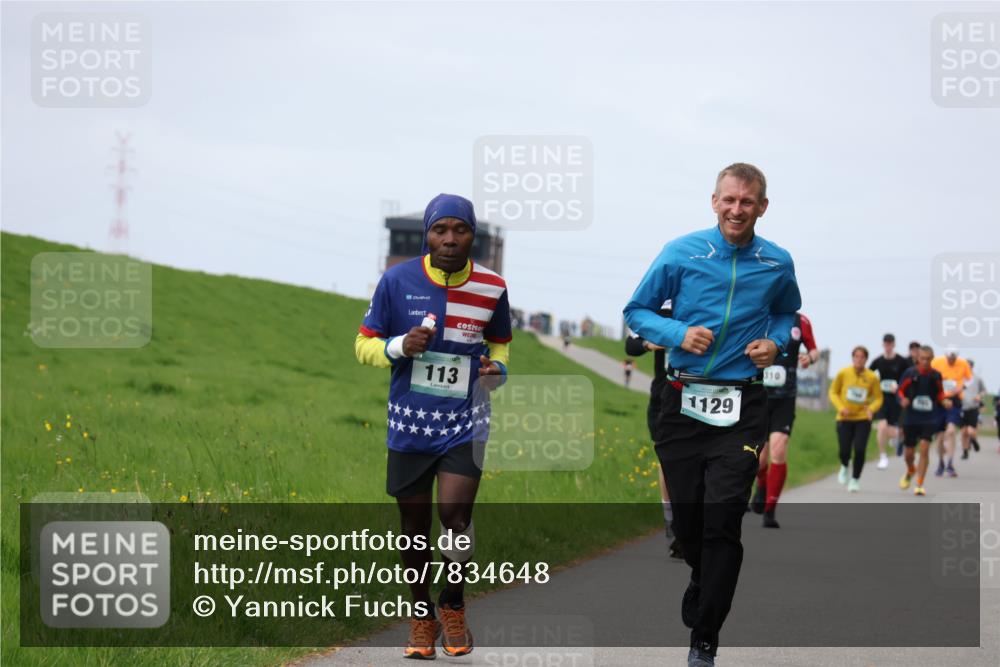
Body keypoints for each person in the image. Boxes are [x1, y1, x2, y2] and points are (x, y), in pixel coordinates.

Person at [624, 162, 800, 667]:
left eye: (747, 202)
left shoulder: (777, 262)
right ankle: (702, 578)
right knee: (688, 526)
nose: (736, 209)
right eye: (728, 200)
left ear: (762, 207)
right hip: (682, 401)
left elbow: (788, 312)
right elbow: (636, 311)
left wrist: (776, 342)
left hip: (743, 404)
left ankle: (705, 638)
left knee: (724, 520)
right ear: (714, 201)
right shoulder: (680, 252)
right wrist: (678, 334)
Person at [355, 193, 512, 660]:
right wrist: (400, 345)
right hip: (411, 423)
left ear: (472, 235)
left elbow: (500, 348)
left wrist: (497, 373)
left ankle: (453, 602)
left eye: (459, 230)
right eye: (439, 230)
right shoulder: (396, 280)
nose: (449, 239)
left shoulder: (492, 287)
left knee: (455, 517)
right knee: (414, 526)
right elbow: (363, 347)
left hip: (466, 420)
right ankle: (421, 614)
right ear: (427, 234)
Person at [626, 301, 683, 559]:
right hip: (664, 394)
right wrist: (651, 344)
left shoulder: (707, 301)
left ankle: (693, 523)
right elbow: (631, 345)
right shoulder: (661, 308)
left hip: (703, 394)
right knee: (667, 460)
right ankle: (672, 522)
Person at [750, 312, 818, 528]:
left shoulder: (801, 321)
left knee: (779, 450)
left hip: (785, 398)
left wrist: (809, 358)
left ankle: (770, 510)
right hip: (758, 396)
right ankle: (761, 483)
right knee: (760, 460)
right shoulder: (758, 312)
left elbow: (814, 350)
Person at [828, 346, 883, 493]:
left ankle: (855, 479)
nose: (859, 359)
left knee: (859, 449)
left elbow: (878, 398)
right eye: (856, 356)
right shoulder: (843, 373)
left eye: (862, 357)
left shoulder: (872, 377)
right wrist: (840, 407)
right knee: (844, 450)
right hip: (844, 417)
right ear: (852, 358)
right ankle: (845, 466)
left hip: (862, 418)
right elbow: (833, 392)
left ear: (866, 359)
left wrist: (871, 409)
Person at [898, 345, 952, 496]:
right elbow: (900, 391)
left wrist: (945, 401)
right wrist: (902, 400)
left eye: (928, 359)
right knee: (909, 454)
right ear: (917, 359)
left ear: (932, 359)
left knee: (924, 449)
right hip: (911, 418)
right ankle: (910, 470)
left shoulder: (936, 376)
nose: (926, 362)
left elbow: (940, 394)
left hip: (929, 417)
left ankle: (919, 483)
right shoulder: (910, 373)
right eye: (923, 359)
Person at [868, 333, 912, 469]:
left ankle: (898, 440)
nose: (888, 346)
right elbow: (868, 375)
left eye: (890, 343)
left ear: (894, 344)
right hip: (882, 399)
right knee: (881, 426)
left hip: (897, 400)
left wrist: (900, 388)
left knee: (898, 431)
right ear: (883, 344)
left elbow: (910, 377)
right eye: (886, 343)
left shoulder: (902, 361)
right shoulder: (878, 361)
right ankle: (883, 457)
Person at [930, 348, 972, 477]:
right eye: (949, 358)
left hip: (954, 400)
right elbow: (929, 374)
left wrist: (962, 387)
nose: (951, 360)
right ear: (945, 356)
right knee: (940, 436)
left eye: (953, 358)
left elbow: (969, 379)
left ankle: (950, 463)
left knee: (951, 431)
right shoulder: (937, 362)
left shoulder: (963, 363)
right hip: (939, 400)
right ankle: (941, 463)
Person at [960, 360, 986, 459]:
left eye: (969, 366)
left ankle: (974, 440)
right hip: (961, 407)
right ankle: (965, 451)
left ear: (971, 367)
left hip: (973, 407)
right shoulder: (959, 378)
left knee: (970, 431)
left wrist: (979, 396)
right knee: (963, 432)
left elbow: (984, 391)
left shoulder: (977, 378)